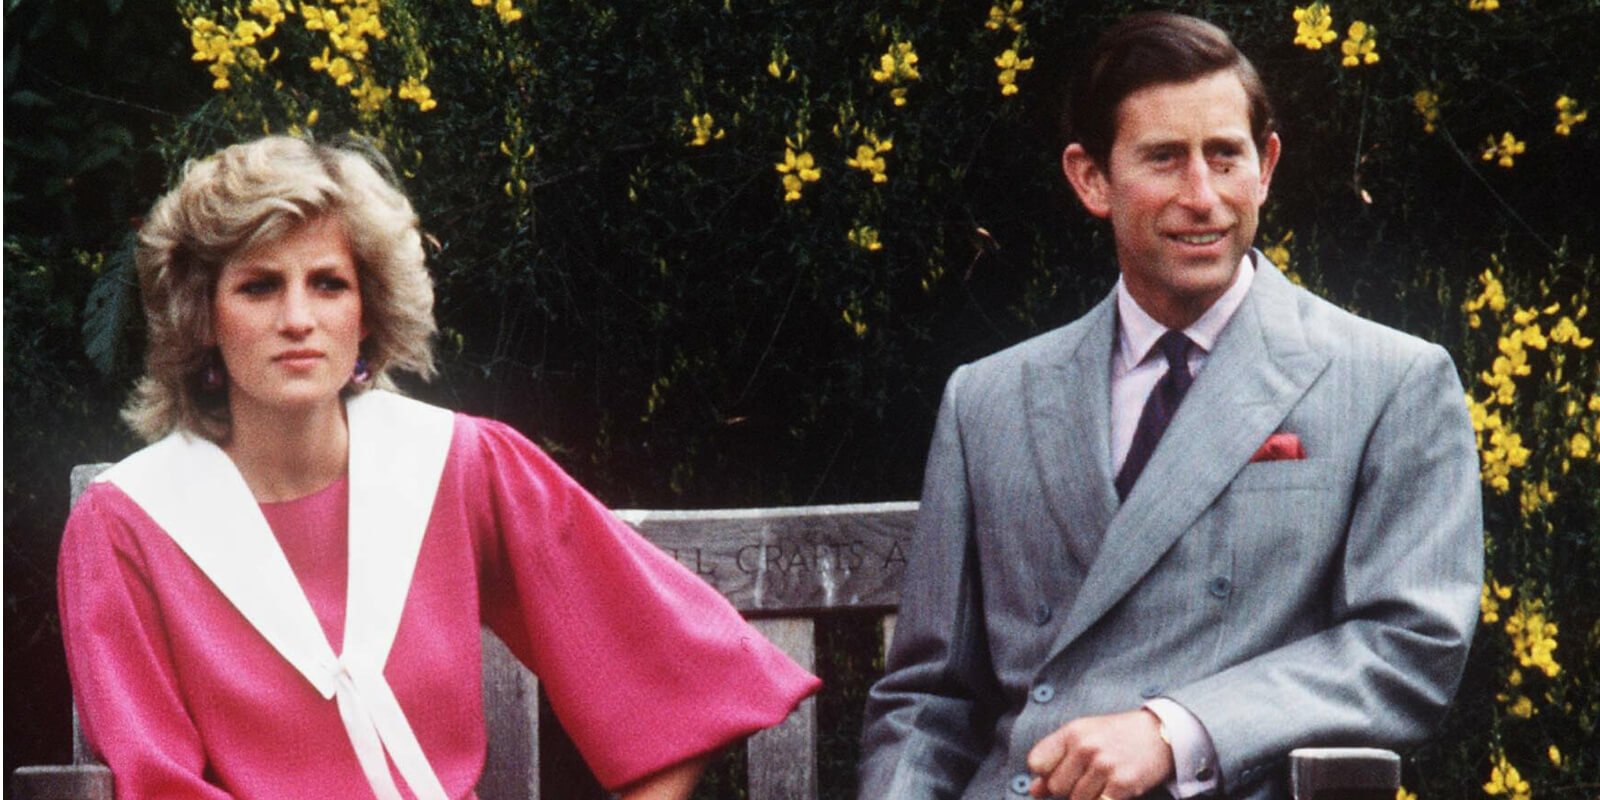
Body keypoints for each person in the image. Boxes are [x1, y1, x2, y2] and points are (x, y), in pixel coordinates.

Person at [57, 135, 820, 800]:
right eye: (259, 286)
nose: (298, 319)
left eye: (328, 283)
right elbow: (157, 788)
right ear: (202, 318)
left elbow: (679, 671)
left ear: (368, 310)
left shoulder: (455, 465)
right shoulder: (130, 522)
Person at [858, 12, 1481, 800]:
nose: (1203, 197)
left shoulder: (1391, 381)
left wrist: (1173, 729)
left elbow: (1408, 649)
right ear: (1091, 179)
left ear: (1267, 166)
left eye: (1225, 157)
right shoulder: (990, 398)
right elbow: (931, 700)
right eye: (1164, 159)